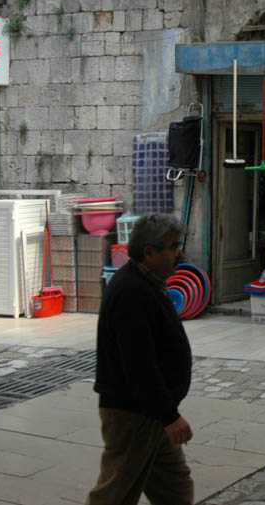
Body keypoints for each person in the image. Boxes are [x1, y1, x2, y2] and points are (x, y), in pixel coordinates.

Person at [87, 213, 194, 505]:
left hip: (153, 412)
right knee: (115, 492)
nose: (179, 254)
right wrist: (169, 416)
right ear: (149, 252)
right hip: (135, 414)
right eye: (173, 247)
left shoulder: (147, 283)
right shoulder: (131, 291)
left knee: (175, 488)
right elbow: (138, 363)